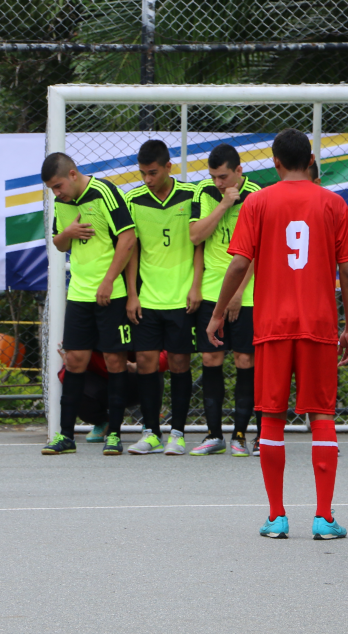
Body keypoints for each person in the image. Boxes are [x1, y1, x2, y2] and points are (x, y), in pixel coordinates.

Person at [207, 129, 348, 541]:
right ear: (310, 160)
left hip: (272, 326)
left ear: (275, 163)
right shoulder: (333, 203)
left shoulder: (257, 202)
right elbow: (347, 271)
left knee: (271, 417)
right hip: (319, 325)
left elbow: (239, 266)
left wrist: (219, 313)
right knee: (322, 416)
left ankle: (276, 517)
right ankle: (324, 518)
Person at [42, 152, 137, 456]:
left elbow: (128, 238)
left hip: (112, 292)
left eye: (58, 186)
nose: (57, 193)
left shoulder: (105, 192)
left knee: (114, 361)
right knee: (74, 361)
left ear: (72, 174)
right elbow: (59, 243)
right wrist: (65, 234)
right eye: (52, 189)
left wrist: (109, 280)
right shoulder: (63, 203)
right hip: (79, 294)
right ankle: (66, 436)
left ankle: (115, 434)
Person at [124, 140, 202, 456]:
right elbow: (132, 249)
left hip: (182, 296)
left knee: (180, 362)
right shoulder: (133, 200)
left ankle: (178, 433)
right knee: (145, 362)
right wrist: (132, 294)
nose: (147, 179)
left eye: (153, 172)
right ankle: (151, 431)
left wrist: (196, 286)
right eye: (142, 173)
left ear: (169, 167)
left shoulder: (192, 195)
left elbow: (200, 245)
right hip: (148, 297)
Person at [190, 144, 263, 457]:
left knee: (246, 361)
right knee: (211, 360)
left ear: (239, 171)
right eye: (214, 176)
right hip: (209, 292)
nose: (218, 182)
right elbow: (195, 236)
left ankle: (241, 435)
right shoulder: (204, 193)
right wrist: (223, 204)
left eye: (223, 177)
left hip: (246, 294)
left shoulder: (259, 196)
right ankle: (213, 434)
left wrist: (236, 294)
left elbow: (260, 252)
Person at [57, 348, 167, 436]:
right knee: (74, 384)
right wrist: (71, 367)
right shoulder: (84, 337)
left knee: (152, 365)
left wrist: (138, 366)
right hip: (102, 385)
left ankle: (150, 422)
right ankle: (103, 422)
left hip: (133, 379)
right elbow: (64, 377)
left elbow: (167, 356)